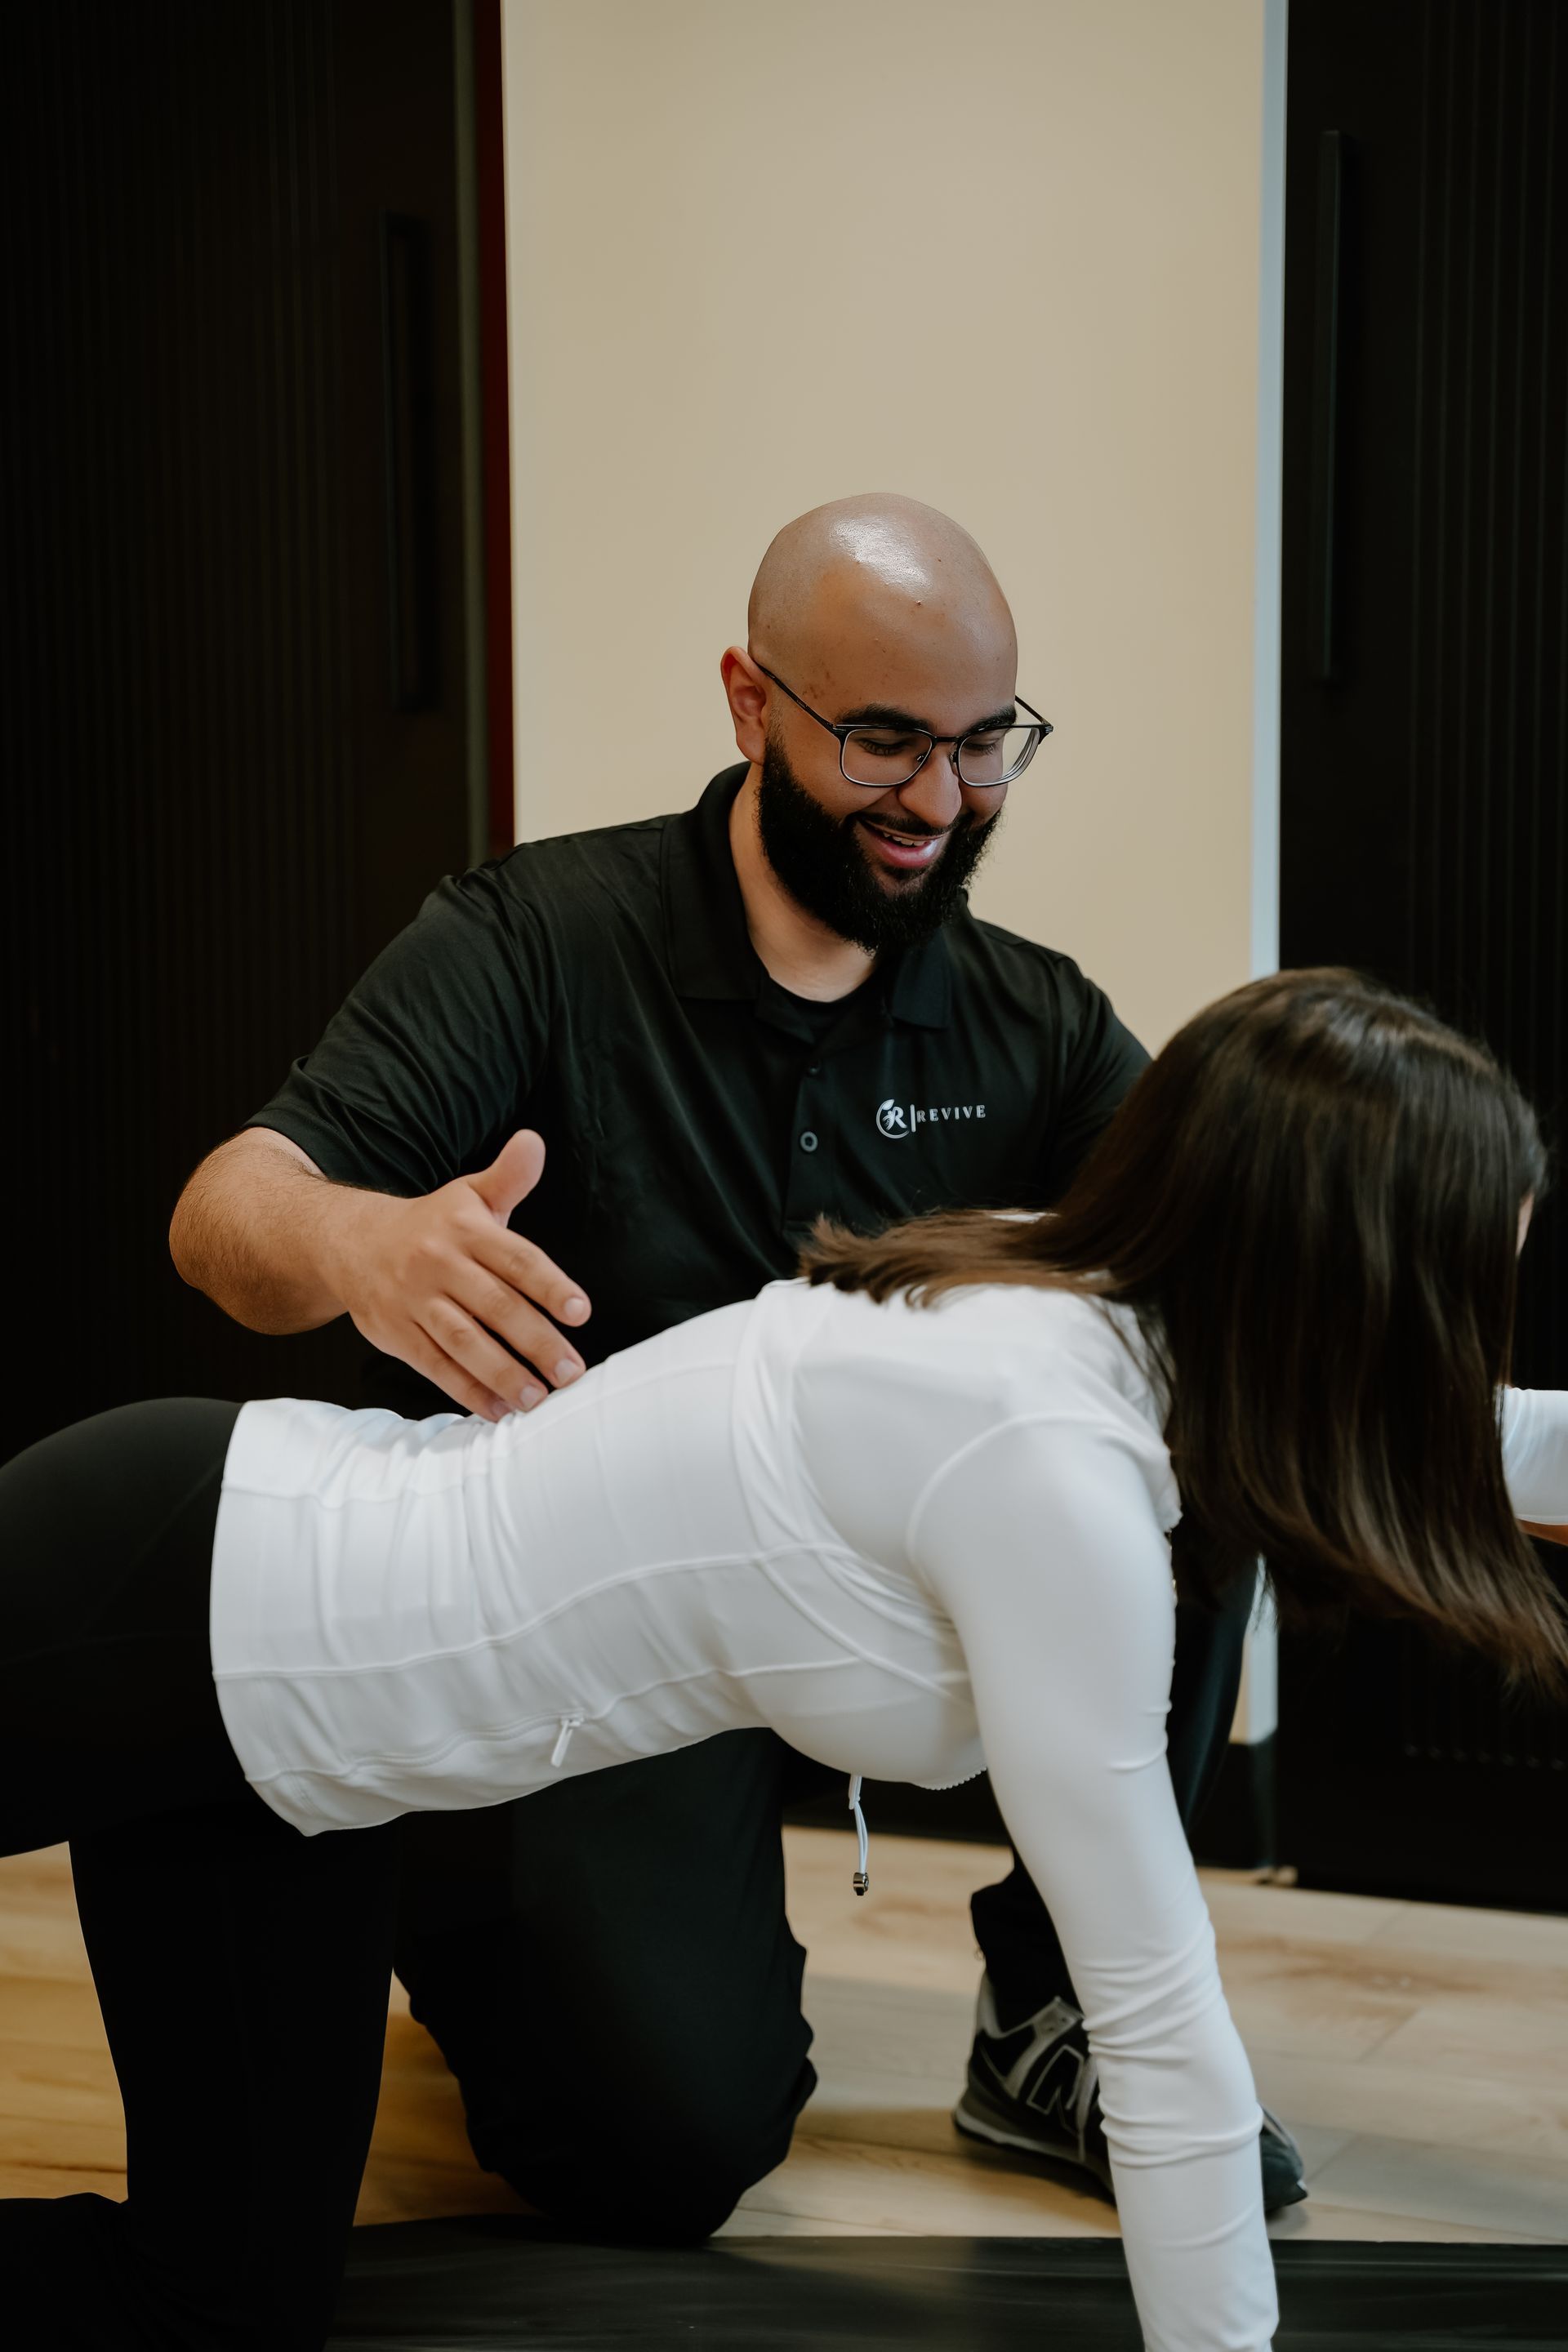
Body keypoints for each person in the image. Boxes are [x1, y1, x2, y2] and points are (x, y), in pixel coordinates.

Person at [7, 969, 1568, 2352]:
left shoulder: (1091, 1303)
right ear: (1355, 1291)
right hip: (169, 1582)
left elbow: (1468, 1433)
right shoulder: (1050, 1465)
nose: (1467, 1347)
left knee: (213, 2306)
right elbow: (1158, 2033)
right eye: (1461, 1300)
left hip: (298, 1776)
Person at [167, 491, 1302, 2231]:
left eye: (987, 742)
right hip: (603, 1641)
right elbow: (227, 1208)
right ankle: (472, 1918)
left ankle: (1046, 2001)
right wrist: (357, 1245)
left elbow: (1244, 1285)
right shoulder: (536, 942)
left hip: (885, 1611)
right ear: (750, 703)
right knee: (656, 2150)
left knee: (1212, 1404)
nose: (941, 799)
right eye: (885, 741)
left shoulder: (1036, 1022)